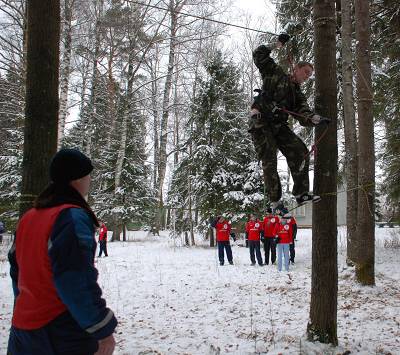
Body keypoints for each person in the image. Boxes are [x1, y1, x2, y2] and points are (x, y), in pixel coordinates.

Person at [7, 148, 117, 355]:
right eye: (88, 175)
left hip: (23, 330)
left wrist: (26, 311)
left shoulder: (29, 218)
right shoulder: (70, 217)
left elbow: (17, 273)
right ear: (76, 179)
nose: (90, 180)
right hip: (60, 332)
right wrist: (101, 327)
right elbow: (75, 277)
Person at [249, 33, 326, 210]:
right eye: (306, 72)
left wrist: (313, 118)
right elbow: (258, 55)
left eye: (309, 75)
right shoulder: (275, 72)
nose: (307, 76)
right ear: (296, 69)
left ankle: (301, 193)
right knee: (270, 160)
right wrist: (276, 44)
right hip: (261, 122)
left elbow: (302, 112)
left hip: (279, 126)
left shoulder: (296, 94)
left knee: (300, 151)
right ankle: (275, 200)